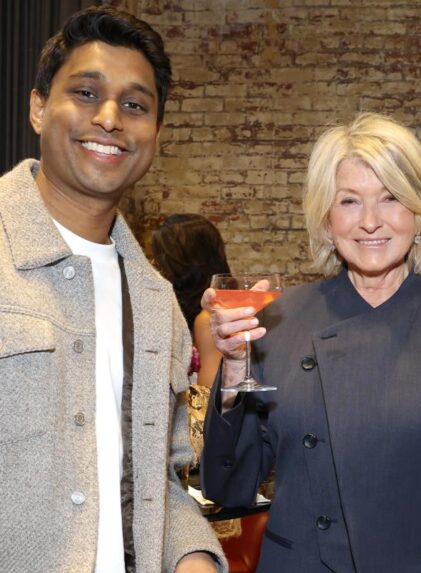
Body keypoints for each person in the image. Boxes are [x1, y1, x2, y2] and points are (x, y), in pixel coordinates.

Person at [0, 6, 224, 573]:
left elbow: (154, 485)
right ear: (38, 107)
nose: (109, 118)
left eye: (134, 106)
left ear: (156, 134)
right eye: (85, 93)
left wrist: (194, 558)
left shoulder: (155, 302)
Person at [200, 112, 421, 572]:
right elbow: (227, 486)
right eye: (349, 201)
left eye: (391, 198)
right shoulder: (278, 321)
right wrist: (235, 367)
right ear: (327, 219)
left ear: (420, 212)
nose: (370, 222)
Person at [152, 213, 231, 389]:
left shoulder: (208, 319)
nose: (154, 264)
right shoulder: (196, 309)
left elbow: (208, 394)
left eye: (160, 257)